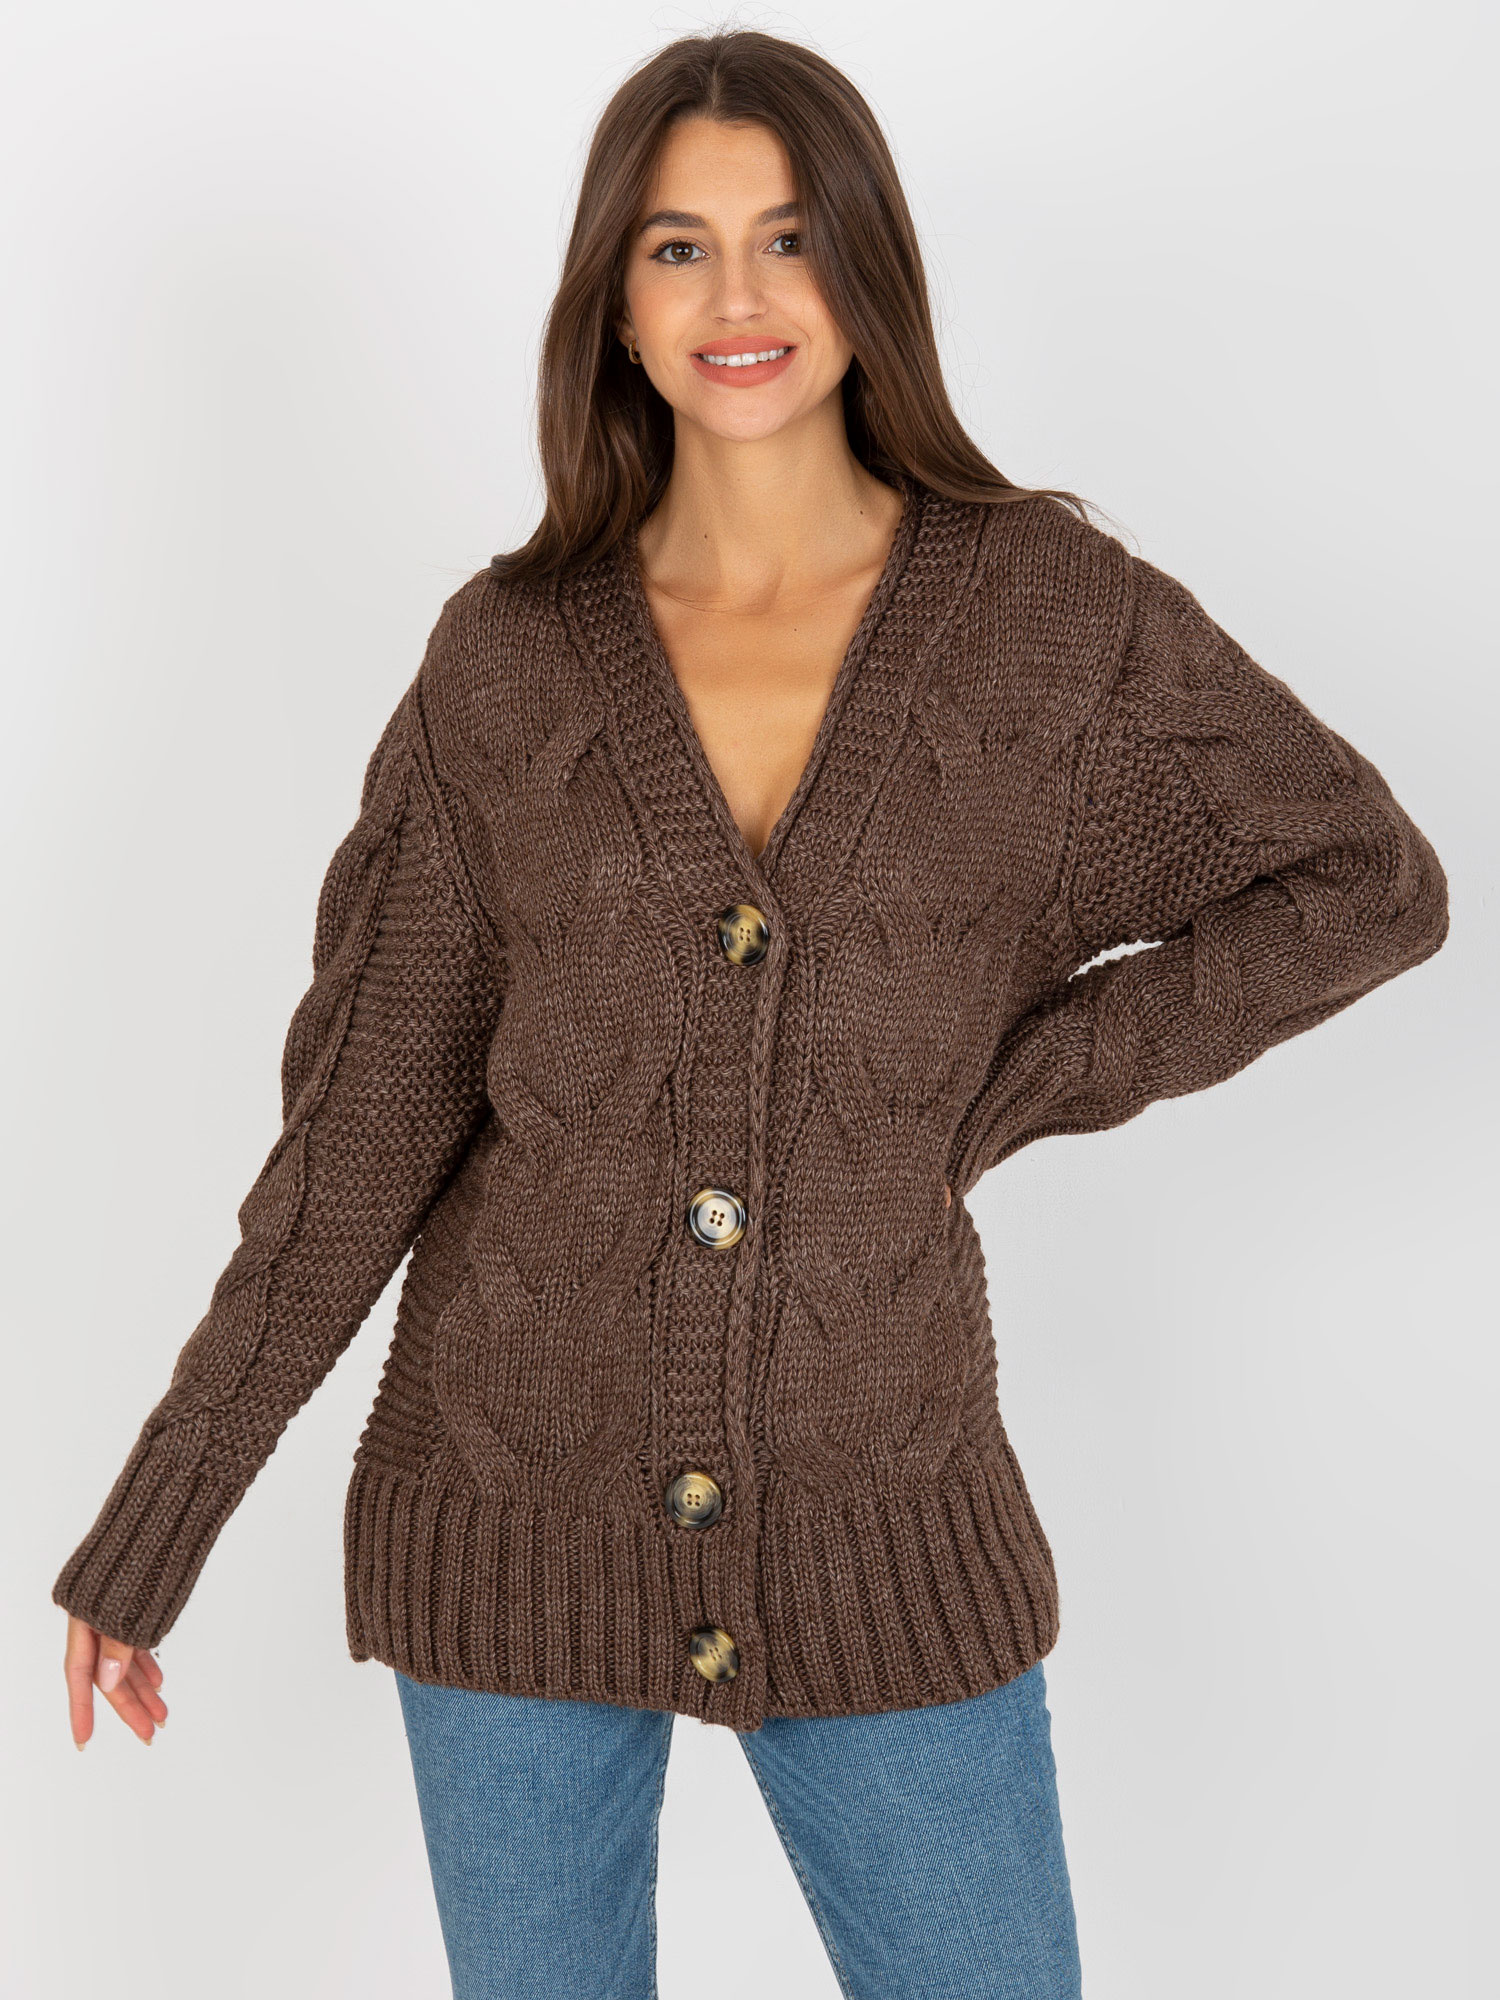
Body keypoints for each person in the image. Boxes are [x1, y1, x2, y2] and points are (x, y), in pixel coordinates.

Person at [51, 28, 1450, 2000]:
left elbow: (1364, 883)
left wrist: (1024, 1079)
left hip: (887, 1506)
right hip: (507, 1502)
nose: (738, 297)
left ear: (866, 270)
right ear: (614, 306)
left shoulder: (1049, 616)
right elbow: (362, 1134)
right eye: (678, 247)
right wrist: (161, 1518)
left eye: (789, 237)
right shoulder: (508, 660)